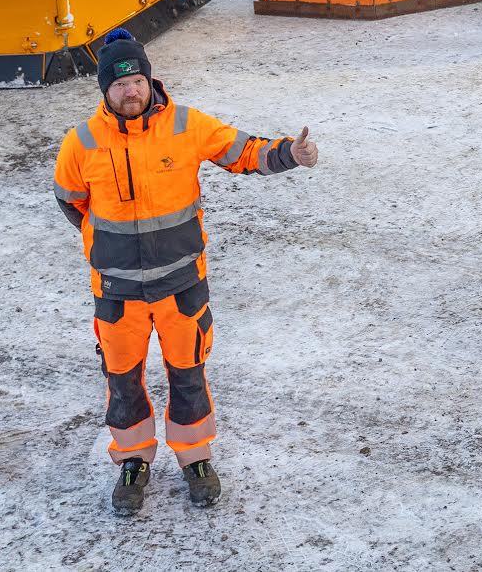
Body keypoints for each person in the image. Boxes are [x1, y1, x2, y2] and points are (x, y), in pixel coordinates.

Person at [52, 28, 319, 515]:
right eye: (118, 84)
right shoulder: (81, 142)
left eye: (136, 80)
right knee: (123, 380)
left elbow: (242, 151)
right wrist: (110, 245)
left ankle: (195, 459)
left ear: (149, 81)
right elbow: (71, 200)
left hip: (181, 287)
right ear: (105, 92)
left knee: (189, 375)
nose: (129, 91)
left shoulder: (186, 125)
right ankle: (132, 461)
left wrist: (288, 155)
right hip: (116, 293)